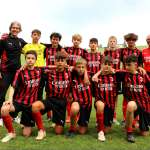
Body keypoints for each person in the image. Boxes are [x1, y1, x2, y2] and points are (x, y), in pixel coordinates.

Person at [1, 50, 42, 142]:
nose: (30, 60)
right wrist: (10, 101)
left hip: (30, 105)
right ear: (25, 59)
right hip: (19, 101)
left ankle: (25, 122)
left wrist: (69, 66)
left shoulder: (39, 70)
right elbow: (13, 87)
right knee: (4, 109)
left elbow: (52, 67)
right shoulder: (20, 72)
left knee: (26, 134)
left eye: (32, 58)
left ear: (36, 60)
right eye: (28, 58)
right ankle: (11, 133)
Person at [32, 51, 71, 140]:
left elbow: (81, 68)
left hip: (61, 102)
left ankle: (56, 120)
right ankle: (41, 131)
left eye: (62, 60)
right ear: (54, 61)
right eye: (58, 60)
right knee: (35, 106)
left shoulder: (70, 72)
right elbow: (35, 67)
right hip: (50, 100)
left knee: (58, 132)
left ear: (65, 62)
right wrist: (53, 67)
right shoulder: (48, 72)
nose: (60, 62)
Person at [0, 21, 27, 126]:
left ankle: (14, 115)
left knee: (17, 94)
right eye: (13, 27)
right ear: (10, 28)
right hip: (6, 72)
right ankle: (1, 117)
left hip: (17, 73)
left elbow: (30, 47)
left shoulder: (21, 41)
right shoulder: (4, 40)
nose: (15, 29)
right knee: (1, 94)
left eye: (17, 28)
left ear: (20, 30)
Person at [92, 56, 119, 141]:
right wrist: (98, 73)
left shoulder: (116, 75)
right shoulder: (95, 76)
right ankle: (100, 132)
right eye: (105, 64)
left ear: (112, 66)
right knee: (100, 105)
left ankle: (101, 122)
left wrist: (141, 68)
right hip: (100, 101)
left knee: (107, 130)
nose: (107, 66)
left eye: (109, 64)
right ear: (101, 65)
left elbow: (128, 71)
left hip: (110, 105)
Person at [64, 34, 88, 123]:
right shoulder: (67, 49)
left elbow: (85, 65)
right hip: (69, 75)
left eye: (78, 40)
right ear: (72, 40)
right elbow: (62, 58)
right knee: (69, 96)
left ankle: (77, 115)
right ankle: (69, 115)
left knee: (77, 95)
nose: (76, 41)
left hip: (78, 76)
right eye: (74, 39)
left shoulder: (83, 51)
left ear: (80, 41)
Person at [120, 33, 143, 124]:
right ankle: (125, 119)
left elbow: (140, 65)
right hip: (125, 76)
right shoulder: (123, 51)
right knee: (126, 97)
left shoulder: (139, 52)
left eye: (133, 40)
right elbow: (120, 62)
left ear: (135, 41)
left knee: (136, 97)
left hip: (136, 78)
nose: (131, 41)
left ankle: (136, 118)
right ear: (126, 41)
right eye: (129, 40)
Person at [66, 58, 92, 136]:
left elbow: (88, 82)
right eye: (78, 67)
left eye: (82, 67)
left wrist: (86, 72)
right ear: (75, 67)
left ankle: (81, 123)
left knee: (82, 132)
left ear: (86, 68)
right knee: (74, 109)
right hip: (77, 101)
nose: (80, 69)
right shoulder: (72, 75)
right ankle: (72, 128)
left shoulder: (90, 75)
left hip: (87, 104)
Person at [104, 36, 121, 125]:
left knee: (115, 97)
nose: (112, 43)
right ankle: (105, 116)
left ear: (116, 42)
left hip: (117, 77)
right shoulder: (106, 52)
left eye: (114, 41)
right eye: (111, 41)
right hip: (107, 77)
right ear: (108, 42)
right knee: (106, 96)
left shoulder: (120, 52)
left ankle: (114, 117)